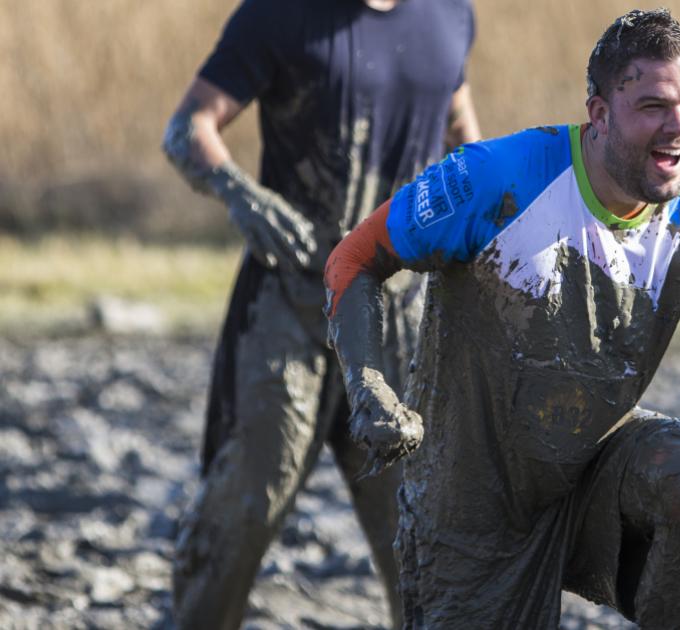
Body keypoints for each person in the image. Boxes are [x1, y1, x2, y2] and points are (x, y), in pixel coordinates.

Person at [322, 9, 680, 627]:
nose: (679, 127)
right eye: (655, 106)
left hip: (595, 478)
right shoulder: (495, 180)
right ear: (600, 114)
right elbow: (353, 259)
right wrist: (367, 388)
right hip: (471, 504)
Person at [160, 0, 481, 626]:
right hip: (290, 302)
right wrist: (238, 192)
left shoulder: (450, 14)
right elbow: (188, 125)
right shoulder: (278, 13)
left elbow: (464, 141)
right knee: (245, 505)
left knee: (420, 530)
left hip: (403, 309)